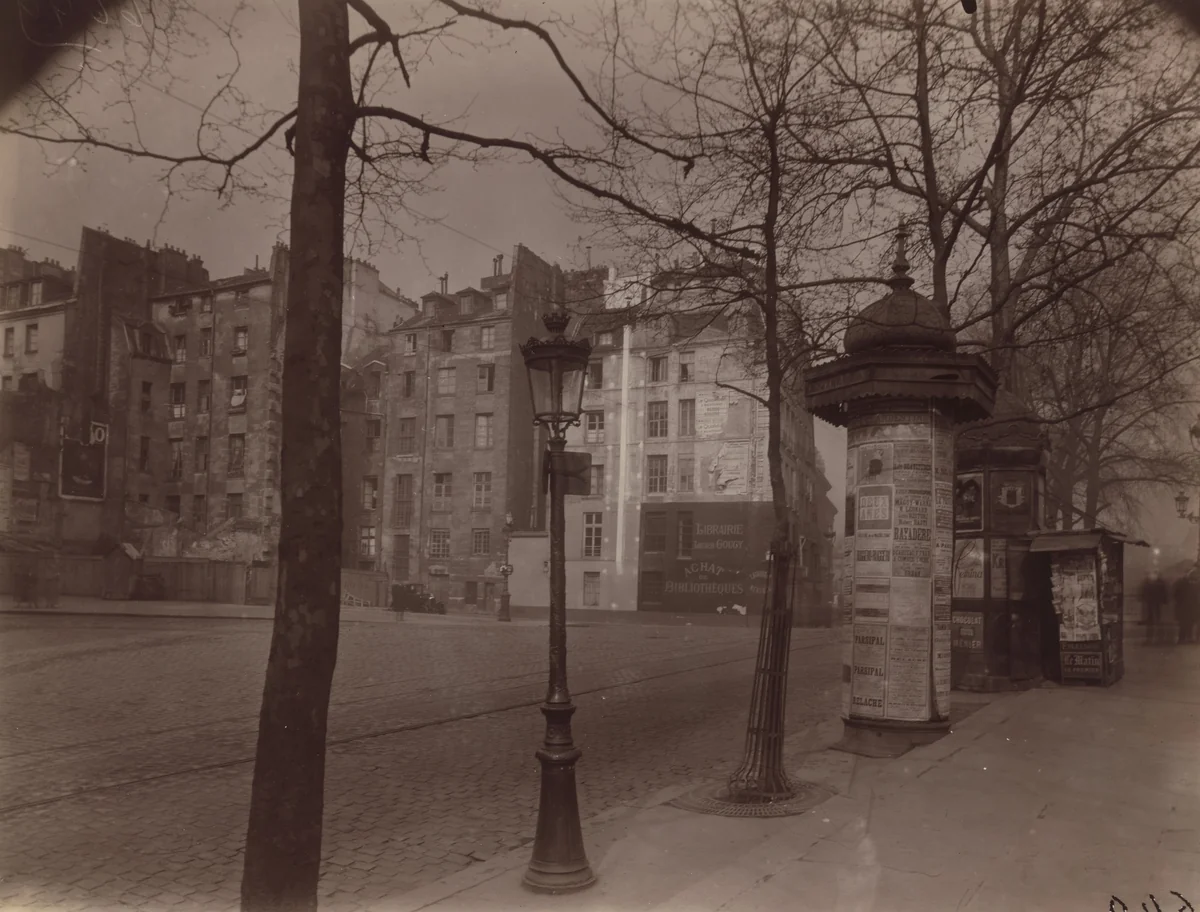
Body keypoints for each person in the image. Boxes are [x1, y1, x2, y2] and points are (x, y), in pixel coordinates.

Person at [1142, 571, 1169, 644]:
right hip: (1154, 604)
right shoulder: (1160, 583)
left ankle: (1156, 639)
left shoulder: (1147, 583)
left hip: (1154, 604)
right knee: (1154, 621)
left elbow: (1144, 593)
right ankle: (1154, 639)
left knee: (1155, 621)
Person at [1173, 567, 1199, 645]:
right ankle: (1183, 638)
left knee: (1189, 623)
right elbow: (1176, 594)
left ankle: (1187, 638)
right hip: (1184, 606)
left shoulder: (1194, 583)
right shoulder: (1181, 583)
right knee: (1183, 623)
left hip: (1191, 606)